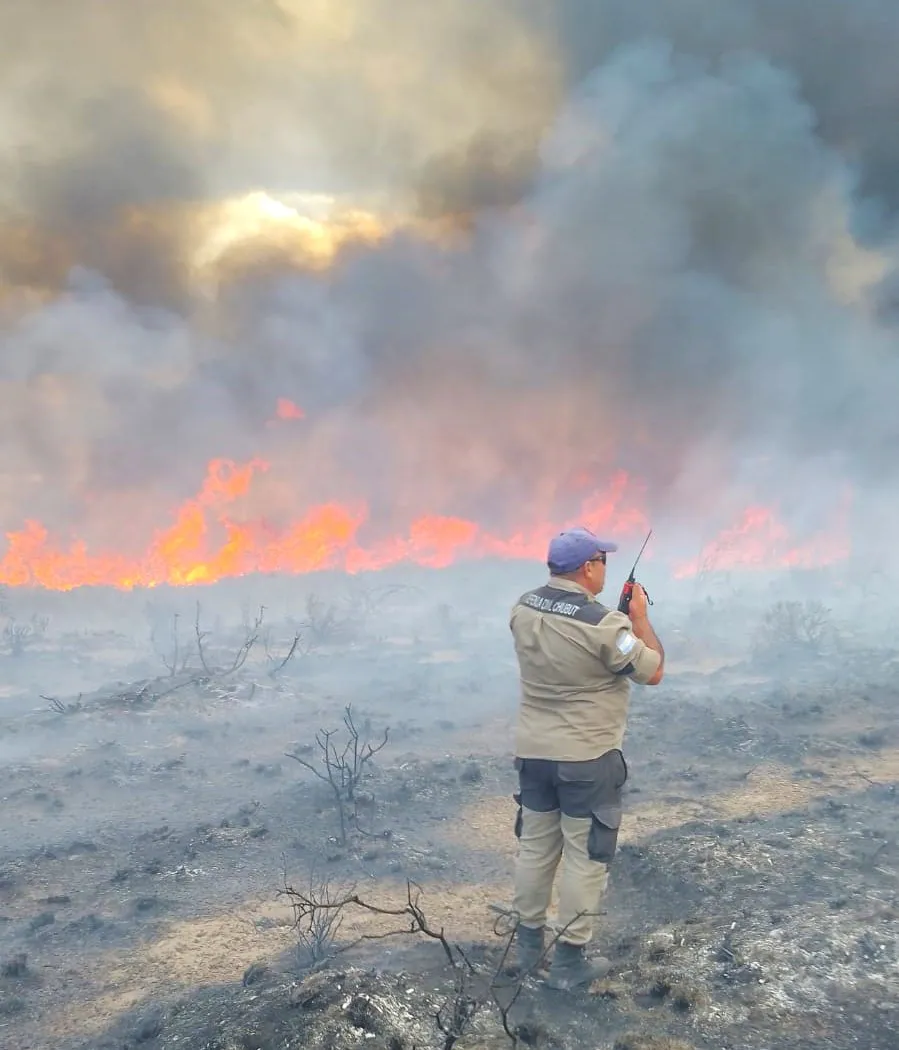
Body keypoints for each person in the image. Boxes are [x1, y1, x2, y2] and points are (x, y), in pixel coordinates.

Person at [507, 526, 665, 990]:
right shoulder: (605, 624)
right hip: (586, 758)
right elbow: (652, 670)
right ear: (587, 567)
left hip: (534, 754)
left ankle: (528, 949)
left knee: (535, 849)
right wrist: (638, 618)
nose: (605, 570)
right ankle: (569, 961)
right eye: (602, 562)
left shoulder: (523, 607)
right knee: (585, 856)